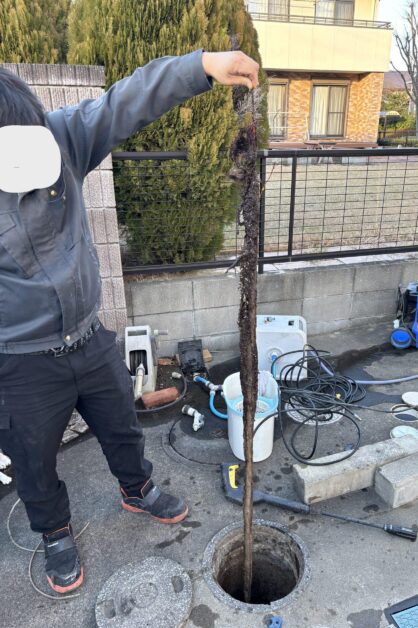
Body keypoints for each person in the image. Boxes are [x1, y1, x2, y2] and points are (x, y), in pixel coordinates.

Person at [0, 49, 259, 594]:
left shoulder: (61, 138)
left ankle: (137, 488)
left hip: (88, 336)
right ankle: (54, 531)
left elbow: (126, 101)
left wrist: (201, 66)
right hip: (20, 361)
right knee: (32, 456)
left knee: (121, 422)